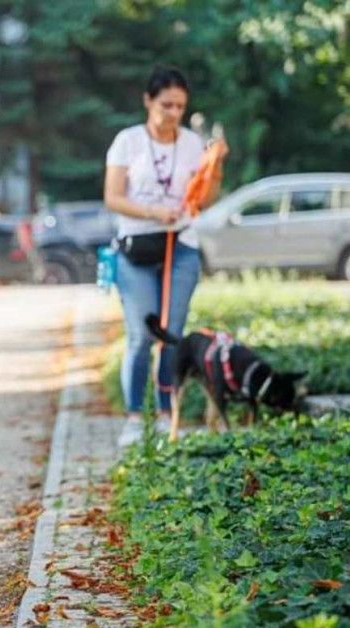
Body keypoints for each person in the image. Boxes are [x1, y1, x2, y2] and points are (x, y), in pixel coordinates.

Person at [104, 65, 228, 448]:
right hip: (138, 247)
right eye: (166, 105)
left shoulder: (191, 142)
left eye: (179, 106)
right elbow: (113, 197)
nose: (173, 113)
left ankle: (164, 413)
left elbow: (204, 199)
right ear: (148, 100)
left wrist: (216, 164)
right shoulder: (127, 141)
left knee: (171, 336)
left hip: (182, 245)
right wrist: (154, 213)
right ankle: (133, 417)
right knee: (141, 335)